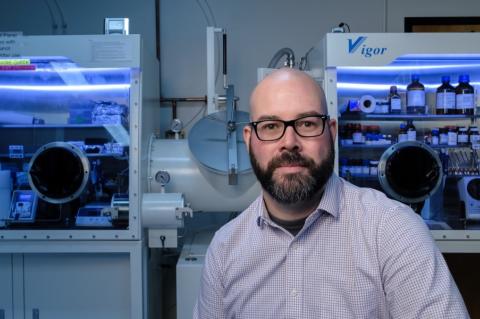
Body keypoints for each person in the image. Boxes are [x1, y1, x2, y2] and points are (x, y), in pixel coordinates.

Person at [194, 68, 469, 318]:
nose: (289, 143)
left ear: (331, 131)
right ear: (248, 139)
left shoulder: (392, 230)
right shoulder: (226, 248)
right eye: (270, 127)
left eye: (307, 124)